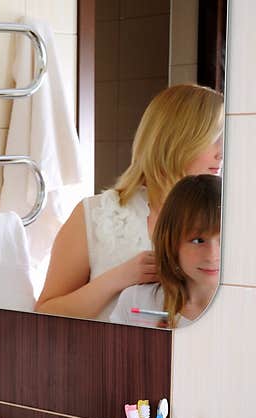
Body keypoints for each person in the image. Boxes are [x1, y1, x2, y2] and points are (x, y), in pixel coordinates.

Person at [35, 84, 224, 320]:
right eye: (214, 139)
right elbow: (44, 314)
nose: (222, 152)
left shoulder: (231, 218)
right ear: (177, 140)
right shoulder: (95, 216)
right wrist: (118, 278)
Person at [110, 174, 221, 328]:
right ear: (172, 242)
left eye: (223, 240)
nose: (212, 256)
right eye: (198, 240)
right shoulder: (137, 302)